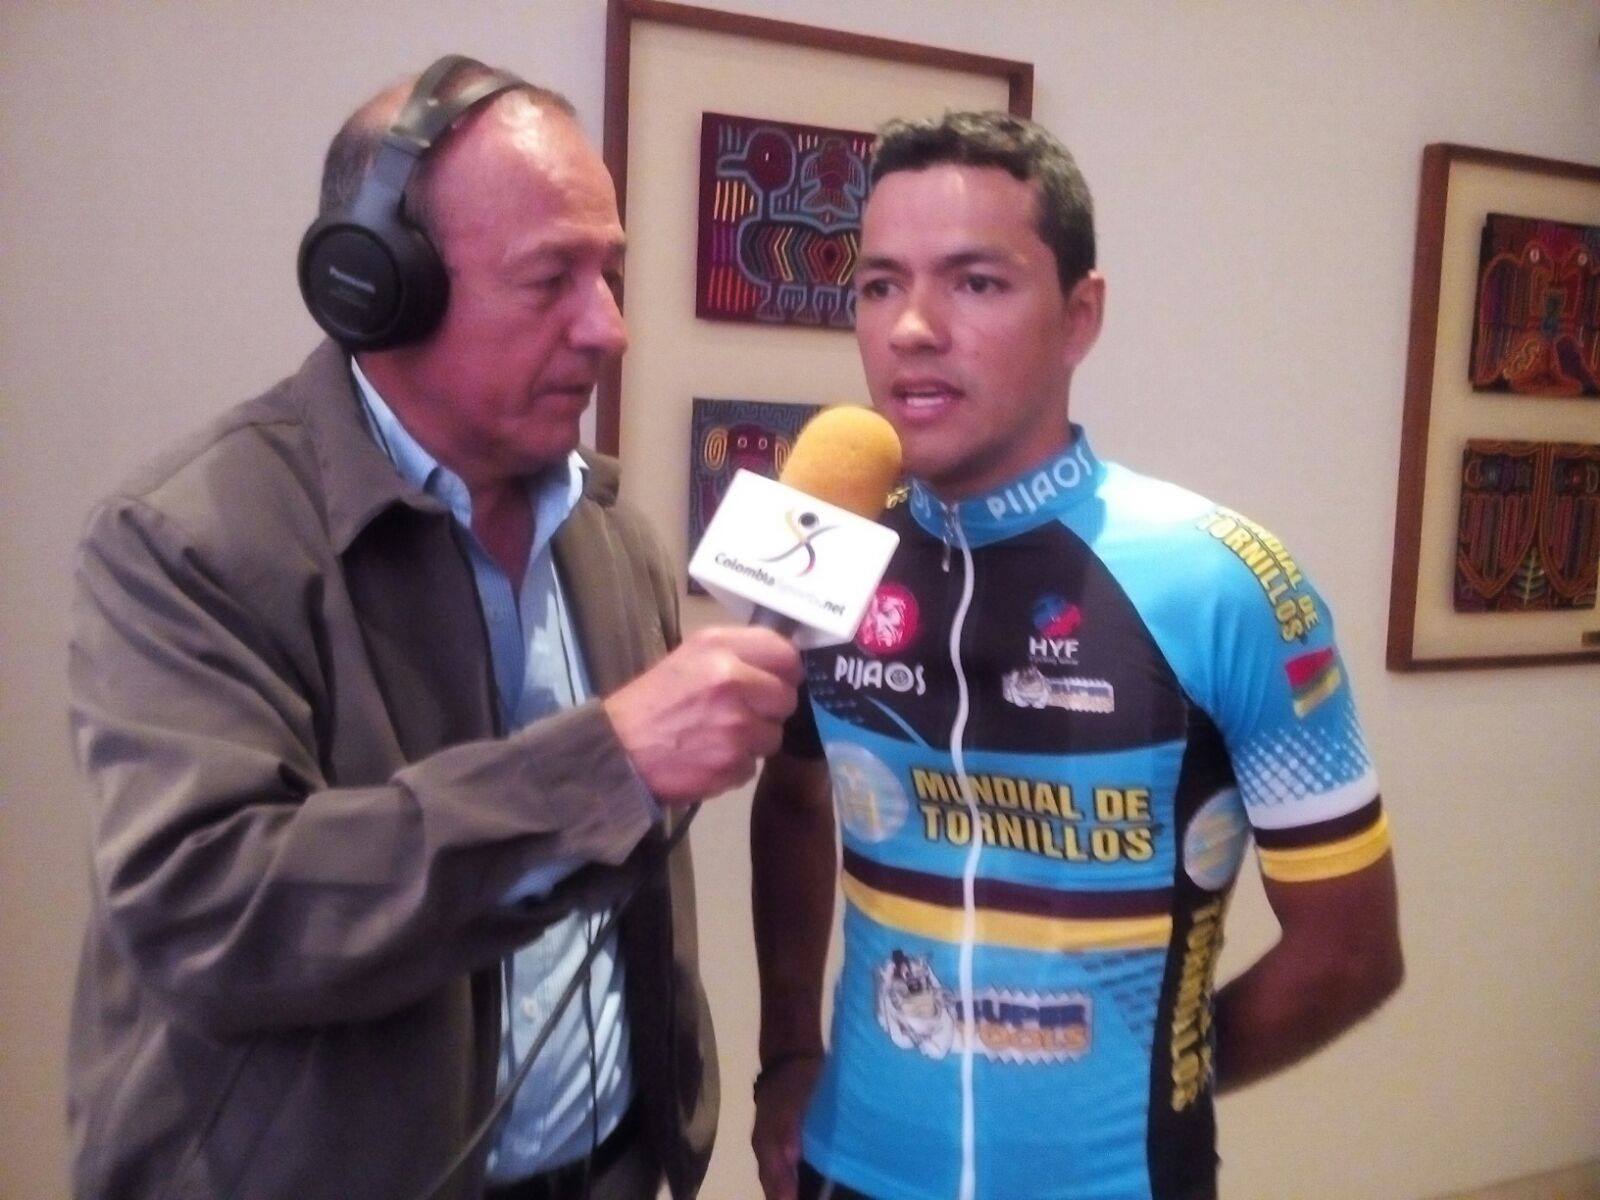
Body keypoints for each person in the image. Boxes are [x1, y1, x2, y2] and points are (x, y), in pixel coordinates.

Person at [66, 57, 801, 1200]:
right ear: (376, 287)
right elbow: (209, 910)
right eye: (550, 279)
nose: (608, 327)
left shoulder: (618, 538)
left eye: (608, 273)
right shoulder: (183, 539)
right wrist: (600, 762)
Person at [749, 111, 1403, 1200]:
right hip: (845, 1167)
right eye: (879, 284)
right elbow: (787, 800)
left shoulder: (1221, 581)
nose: (911, 328)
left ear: (1079, 316)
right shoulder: (829, 546)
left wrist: (1163, 1085)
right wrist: (785, 1056)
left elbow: (1350, 953)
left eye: (975, 282)